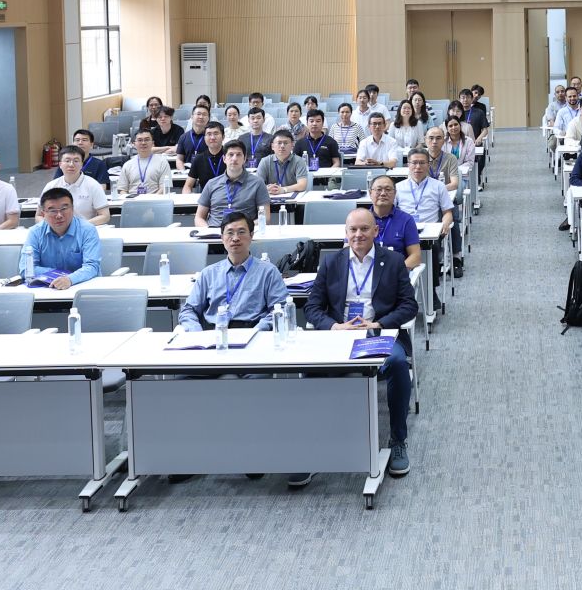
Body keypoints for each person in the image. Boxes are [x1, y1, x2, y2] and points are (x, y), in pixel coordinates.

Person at [300, 208, 415, 480]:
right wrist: (334, 326)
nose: (358, 234)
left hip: (378, 334)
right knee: (306, 367)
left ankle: (398, 440)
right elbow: (312, 306)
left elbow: (409, 305)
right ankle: (311, 444)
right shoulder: (331, 262)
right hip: (340, 333)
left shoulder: (393, 261)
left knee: (397, 363)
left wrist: (379, 323)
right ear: (346, 233)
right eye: (353, 229)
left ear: (376, 231)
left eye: (364, 229)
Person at [178, 211, 287, 330]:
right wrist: (197, 332)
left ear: (251, 235)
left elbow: (281, 308)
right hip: (213, 332)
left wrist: (258, 330)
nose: (235, 238)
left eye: (241, 232)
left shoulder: (268, 272)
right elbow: (188, 310)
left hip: (252, 331)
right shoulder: (208, 274)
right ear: (222, 238)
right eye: (230, 233)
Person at [20, 187, 102, 288]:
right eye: (52, 210)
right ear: (43, 213)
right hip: (48, 289)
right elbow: (26, 269)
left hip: (83, 287)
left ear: (73, 209)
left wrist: (70, 279)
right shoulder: (35, 232)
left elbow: (92, 267)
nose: (59, 215)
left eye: (64, 209)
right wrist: (58, 275)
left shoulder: (87, 230)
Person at [194, 138, 263, 229]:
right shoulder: (211, 184)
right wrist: (209, 231)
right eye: (230, 155)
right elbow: (199, 217)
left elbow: (265, 217)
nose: (234, 158)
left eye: (238, 155)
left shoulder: (257, 183)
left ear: (244, 159)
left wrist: (245, 229)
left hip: (243, 233)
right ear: (224, 159)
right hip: (215, 232)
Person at [396, 149, 454, 246]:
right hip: (404, 232)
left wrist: (445, 223)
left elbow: (447, 212)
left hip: (430, 234)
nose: (418, 167)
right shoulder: (398, 187)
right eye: (414, 163)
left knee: (430, 248)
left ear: (428, 165)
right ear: (408, 165)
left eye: (422, 163)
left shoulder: (439, 186)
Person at [367, 174, 424, 271]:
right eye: (378, 189)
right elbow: (348, 251)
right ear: (370, 193)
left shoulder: (406, 220)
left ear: (395, 193)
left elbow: (415, 256)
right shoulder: (359, 219)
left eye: (388, 189)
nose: (383, 193)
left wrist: (396, 272)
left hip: (396, 272)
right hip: (366, 272)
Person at [46, 146, 111, 225]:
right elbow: (39, 215)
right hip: (57, 230)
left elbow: (105, 216)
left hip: (84, 229)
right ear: (60, 164)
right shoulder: (51, 186)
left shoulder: (93, 185)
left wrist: (79, 226)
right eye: (67, 161)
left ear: (82, 164)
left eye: (76, 161)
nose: (71, 164)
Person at [259, 128, 310, 212]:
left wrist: (283, 190)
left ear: (292, 145)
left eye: (285, 143)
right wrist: (268, 188)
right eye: (279, 143)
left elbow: (302, 185)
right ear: (272, 146)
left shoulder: (299, 161)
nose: (282, 146)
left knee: (302, 209)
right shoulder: (265, 161)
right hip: (270, 200)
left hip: (293, 202)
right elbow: (257, 185)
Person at [116, 129, 173, 197]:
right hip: (132, 201)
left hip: (155, 200)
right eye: (140, 140)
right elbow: (122, 189)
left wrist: (152, 200)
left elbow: (164, 187)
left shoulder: (162, 162)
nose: (143, 143)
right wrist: (129, 200)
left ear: (152, 143)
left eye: (147, 140)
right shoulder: (128, 164)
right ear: (134, 144)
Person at [180, 120, 231, 193]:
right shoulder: (199, 159)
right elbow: (188, 186)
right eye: (209, 134)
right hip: (206, 198)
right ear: (204, 138)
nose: (212, 137)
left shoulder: (231, 156)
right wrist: (187, 195)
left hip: (228, 196)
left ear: (223, 137)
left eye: (216, 133)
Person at [295, 108, 341, 173]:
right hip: (306, 176)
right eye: (311, 121)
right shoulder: (300, 143)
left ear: (322, 123)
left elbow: (336, 163)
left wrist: (328, 174)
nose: (314, 124)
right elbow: (295, 164)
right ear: (307, 123)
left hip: (326, 176)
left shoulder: (331, 142)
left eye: (318, 121)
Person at [422, 126, 462, 190]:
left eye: (438, 138)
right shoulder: (418, 158)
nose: (434, 141)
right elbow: (413, 183)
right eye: (431, 138)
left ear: (443, 141)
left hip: (445, 193)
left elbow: (454, 184)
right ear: (425, 140)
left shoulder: (451, 158)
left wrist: (435, 190)